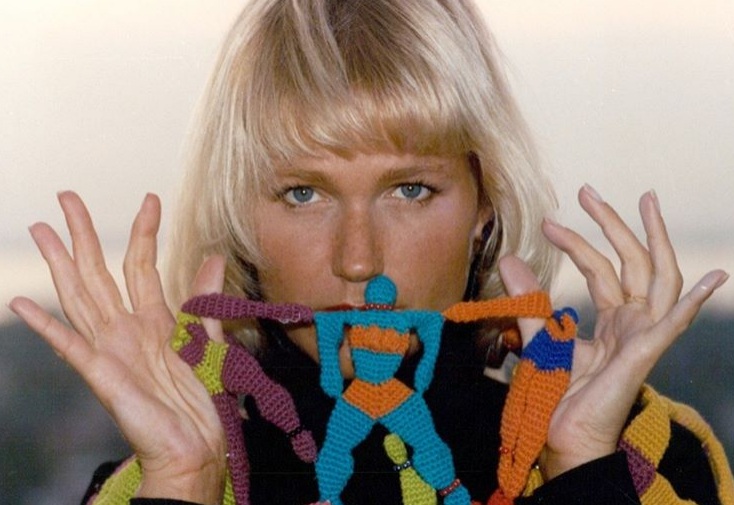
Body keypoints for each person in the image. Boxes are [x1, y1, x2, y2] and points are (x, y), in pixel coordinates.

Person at [8, 0, 733, 504]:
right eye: (303, 194)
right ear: (238, 219)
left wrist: (583, 475)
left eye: (410, 190)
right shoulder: (152, 485)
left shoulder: (646, 458)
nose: (358, 260)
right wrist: (182, 483)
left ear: (485, 206)